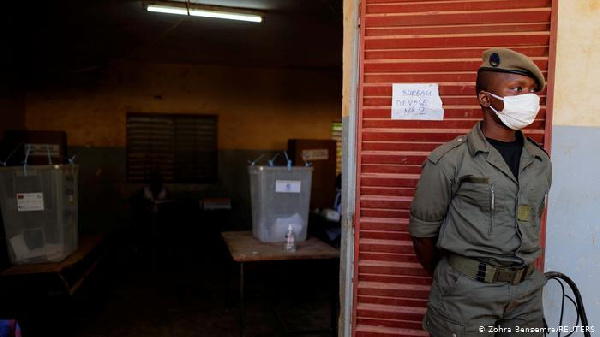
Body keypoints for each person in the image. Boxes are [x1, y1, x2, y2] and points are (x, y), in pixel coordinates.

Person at [408, 48, 552, 336]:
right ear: (485, 99)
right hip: (465, 297)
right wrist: (457, 276)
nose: (529, 99)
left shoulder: (539, 161)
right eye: (517, 89)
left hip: (526, 295)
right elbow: (423, 234)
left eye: (532, 91)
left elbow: (531, 218)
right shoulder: (449, 160)